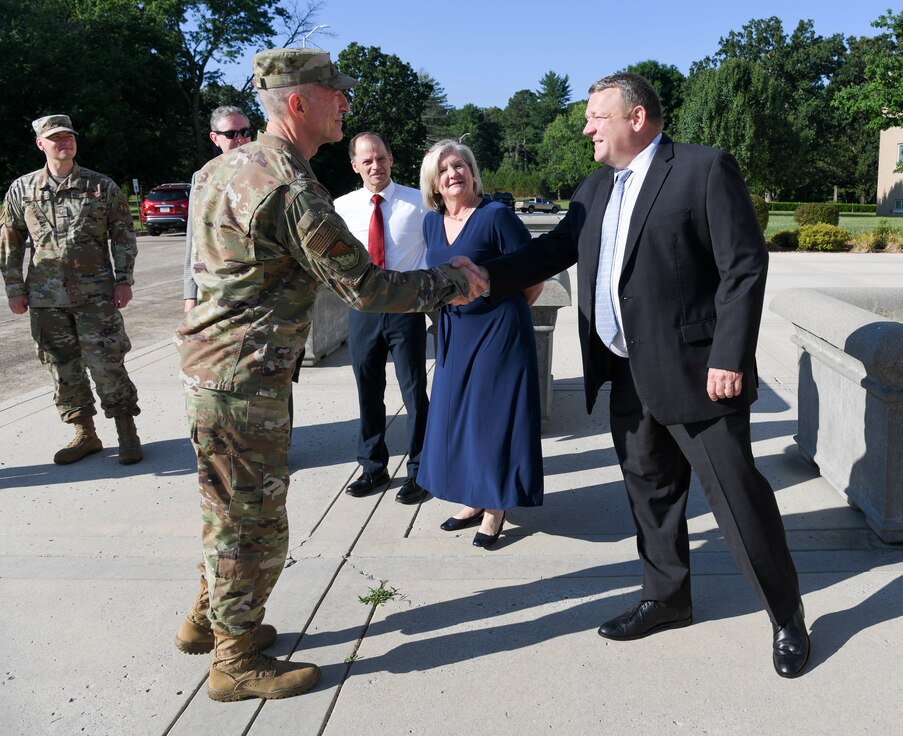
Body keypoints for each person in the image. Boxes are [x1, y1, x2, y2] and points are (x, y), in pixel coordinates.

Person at [457, 73, 809, 677]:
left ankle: (787, 619)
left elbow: (744, 266)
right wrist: (483, 277)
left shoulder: (702, 170)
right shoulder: (594, 187)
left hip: (700, 374)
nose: (587, 127)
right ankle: (667, 599)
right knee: (650, 496)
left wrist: (729, 355)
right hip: (624, 372)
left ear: (637, 117)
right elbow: (552, 251)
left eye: (596, 116)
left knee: (737, 499)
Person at [173, 48, 484, 704]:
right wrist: (453, 281)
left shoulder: (218, 168)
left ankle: (209, 618)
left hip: (214, 372)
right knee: (254, 522)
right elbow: (363, 287)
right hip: (246, 380)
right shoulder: (288, 185)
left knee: (226, 508)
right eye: (334, 94)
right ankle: (236, 657)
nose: (345, 103)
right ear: (298, 103)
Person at [416, 140, 544, 549]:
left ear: (472, 172)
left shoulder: (496, 216)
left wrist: (502, 310)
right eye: (444, 169)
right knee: (458, 420)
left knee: (493, 421)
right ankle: (471, 498)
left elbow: (534, 272)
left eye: (460, 166)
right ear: (434, 183)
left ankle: (495, 506)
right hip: (454, 332)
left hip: (499, 332)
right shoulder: (431, 223)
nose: (454, 173)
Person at [0, 114, 142, 465]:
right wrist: (14, 288)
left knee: (107, 362)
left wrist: (123, 279)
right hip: (46, 300)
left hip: (96, 297)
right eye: (56, 138)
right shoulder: (22, 190)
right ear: (41, 144)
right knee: (61, 368)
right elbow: (10, 242)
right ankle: (84, 433)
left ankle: (126, 431)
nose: (65, 143)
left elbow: (122, 234)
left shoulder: (101, 187)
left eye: (69, 137)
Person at [334, 132, 430, 505]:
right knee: (368, 392)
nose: (376, 166)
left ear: (391, 159)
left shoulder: (418, 202)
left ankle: (421, 470)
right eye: (368, 161)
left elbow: (433, 249)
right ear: (355, 166)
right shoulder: (342, 207)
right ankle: (373, 467)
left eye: (382, 158)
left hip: (406, 309)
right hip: (363, 311)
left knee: (414, 393)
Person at [183, 106, 253, 313]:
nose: (240, 139)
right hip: (216, 292)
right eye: (232, 134)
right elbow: (194, 239)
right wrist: (189, 295)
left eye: (246, 132)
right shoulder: (203, 179)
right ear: (215, 139)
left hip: (258, 290)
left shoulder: (267, 173)